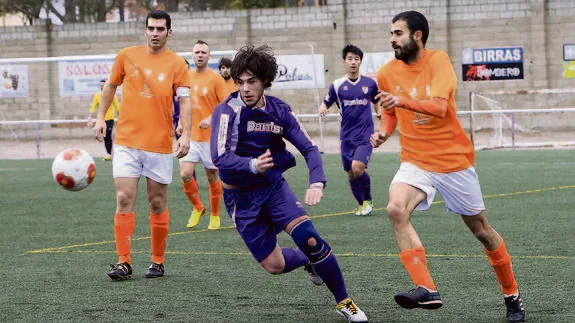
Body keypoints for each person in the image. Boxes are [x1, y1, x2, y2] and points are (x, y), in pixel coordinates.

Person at [371, 11, 525, 322]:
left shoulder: (438, 61)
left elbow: (440, 107)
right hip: (415, 159)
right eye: (391, 33)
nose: (392, 39)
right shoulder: (386, 72)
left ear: (417, 36)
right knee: (395, 209)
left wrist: (400, 102)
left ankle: (512, 295)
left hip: (454, 161)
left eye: (398, 33)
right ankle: (426, 289)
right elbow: (389, 111)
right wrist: (385, 131)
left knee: (481, 230)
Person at [210, 44, 368, 323]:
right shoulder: (226, 111)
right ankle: (307, 261)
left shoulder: (280, 111)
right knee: (274, 265)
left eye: (252, 81)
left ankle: (345, 301)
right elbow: (219, 157)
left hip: (273, 189)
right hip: (240, 201)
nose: (245, 88)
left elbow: (309, 149)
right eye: (241, 82)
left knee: (309, 238)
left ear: (265, 81)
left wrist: (317, 182)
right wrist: (251, 165)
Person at [93, 10, 191, 281]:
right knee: (124, 198)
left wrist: (186, 133)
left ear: (169, 32)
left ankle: (157, 261)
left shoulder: (178, 64)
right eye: (151, 28)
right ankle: (123, 262)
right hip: (126, 140)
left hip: (159, 143)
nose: (155, 33)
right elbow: (111, 87)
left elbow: (184, 101)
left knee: (157, 202)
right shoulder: (126, 55)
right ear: (145, 30)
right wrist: (101, 117)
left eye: (161, 29)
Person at [319, 44, 379, 216]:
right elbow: (327, 101)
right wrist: (323, 108)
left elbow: (377, 100)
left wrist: (380, 112)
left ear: (360, 62)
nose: (353, 62)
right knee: (351, 174)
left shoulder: (369, 83)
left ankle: (368, 200)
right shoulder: (337, 85)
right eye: (350, 59)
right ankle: (361, 204)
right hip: (346, 137)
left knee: (358, 167)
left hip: (365, 135)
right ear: (344, 61)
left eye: (356, 59)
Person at [179, 40, 227, 230]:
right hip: (190, 136)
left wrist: (209, 118)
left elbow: (224, 107)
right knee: (185, 174)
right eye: (197, 52)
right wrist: (179, 124)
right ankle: (198, 207)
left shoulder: (215, 79)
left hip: (210, 138)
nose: (200, 55)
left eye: (203, 52)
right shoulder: (186, 77)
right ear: (193, 55)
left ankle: (215, 215)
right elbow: (183, 104)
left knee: (212, 175)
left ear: (209, 56)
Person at [87, 78, 120, 161]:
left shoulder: (112, 95)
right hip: (101, 120)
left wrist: (120, 117)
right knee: (105, 137)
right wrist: (89, 118)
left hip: (110, 119)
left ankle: (111, 153)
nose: (102, 87)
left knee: (108, 134)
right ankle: (108, 153)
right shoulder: (97, 96)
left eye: (103, 85)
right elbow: (93, 107)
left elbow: (117, 107)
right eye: (100, 86)